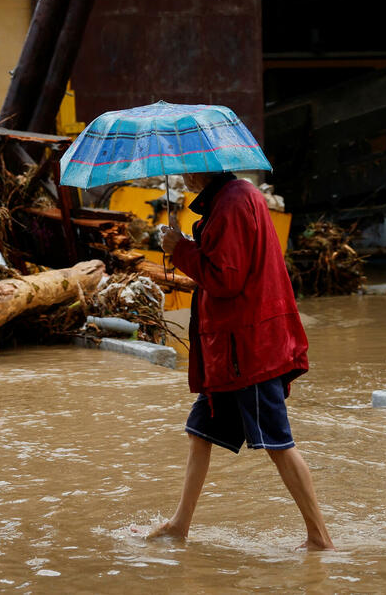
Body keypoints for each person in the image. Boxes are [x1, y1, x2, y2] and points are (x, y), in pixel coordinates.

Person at [135, 171, 334, 551]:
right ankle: (179, 525)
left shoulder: (231, 203)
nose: (181, 176)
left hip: (248, 348)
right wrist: (191, 245)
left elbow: (226, 279)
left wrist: (179, 248)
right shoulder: (233, 198)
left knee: (277, 442)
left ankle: (319, 537)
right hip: (231, 348)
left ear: (201, 167)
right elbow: (227, 261)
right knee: (200, 432)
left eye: (184, 168)